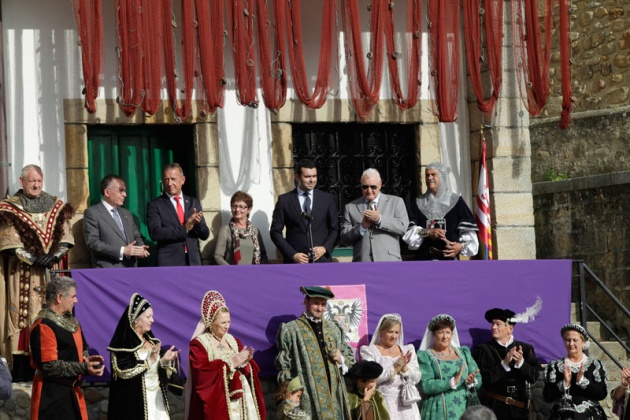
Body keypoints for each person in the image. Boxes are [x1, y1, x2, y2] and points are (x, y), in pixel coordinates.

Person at [0, 164, 74, 373]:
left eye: (39, 181)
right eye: (32, 181)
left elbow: (66, 238)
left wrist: (53, 255)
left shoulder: (56, 206)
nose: (36, 185)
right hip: (21, 272)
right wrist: (34, 258)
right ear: (22, 182)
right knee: (20, 315)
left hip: (50, 271)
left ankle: (50, 359)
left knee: (52, 312)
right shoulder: (9, 208)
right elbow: (9, 242)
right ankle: (22, 365)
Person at [30, 276, 104, 420]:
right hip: (52, 397)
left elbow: (83, 348)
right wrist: (83, 367)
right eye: (73, 296)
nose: (75, 300)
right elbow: (50, 366)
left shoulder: (71, 321)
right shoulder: (44, 325)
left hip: (72, 392)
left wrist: (87, 359)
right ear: (59, 297)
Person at [275, 286, 354, 419]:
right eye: (316, 303)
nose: (320, 308)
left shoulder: (334, 329)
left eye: (323, 304)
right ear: (306, 302)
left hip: (333, 394)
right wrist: (291, 393)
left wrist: (341, 358)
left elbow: (349, 359)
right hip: (307, 394)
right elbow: (284, 366)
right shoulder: (291, 330)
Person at [188, 290, 266, 420]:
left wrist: (246, 362)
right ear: (211, 322)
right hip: (219, 401)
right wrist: (230, 364)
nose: (227, 326)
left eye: (229, 322)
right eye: (223, 323)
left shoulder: (233, 341)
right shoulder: (199, 344)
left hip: (240, 400)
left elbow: (246, 371)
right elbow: (201, 373)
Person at [107, 293, 180, 420]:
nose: (152, 320)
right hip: (135, 403)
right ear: (136, 319)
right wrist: (148, 361)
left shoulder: (152, 342)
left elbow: (159, 371)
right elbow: (122, 371)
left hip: (157, 402)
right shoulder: (123, 345)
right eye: (148, 316)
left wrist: (164, 361)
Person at [473, 307, 540, 419]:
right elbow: (483, 380)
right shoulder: (483, 350)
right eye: (492, 324)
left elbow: (533, 377)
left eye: (498, 324)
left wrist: (521, 362)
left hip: (519, 410)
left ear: (510, 328)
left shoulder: (525, 348)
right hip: (493, 408)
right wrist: (504, 363)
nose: (493, 327)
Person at [403, 162, 479, 260]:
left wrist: (461, 246)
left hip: (449, 261)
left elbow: (470, 237)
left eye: (433, 174)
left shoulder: (456, 201)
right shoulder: (418, 203)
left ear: (442, 177)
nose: (429, 178)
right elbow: (408, 233)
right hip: (424, 260)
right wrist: (427, 232)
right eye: (427, 175)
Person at [270, 159, 339, 263]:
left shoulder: (326, 199)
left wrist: (324, 248)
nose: (312, 180)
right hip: (295, 263)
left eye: (314, 176)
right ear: (297, 177)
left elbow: (335, 229)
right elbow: (275, 232)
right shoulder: (285, 200)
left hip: (321, 261)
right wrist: (292, 254)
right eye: (307, 177)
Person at [417, 314, 481, 420]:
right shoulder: (426, 356)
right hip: (438, 409)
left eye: (448, 332)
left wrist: (472, 381)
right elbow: (425, 385)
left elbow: (477, 375)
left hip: (464, 408)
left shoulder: (464, 353)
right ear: (433, 334)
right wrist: (451, 382)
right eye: (440, 332)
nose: (445, 336)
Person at [359, 313, 421, 419]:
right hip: (384, 403)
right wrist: (394, 369)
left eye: (396, 332)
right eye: (390, 332)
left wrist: (405, 369)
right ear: (381, 331)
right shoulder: (370, 352)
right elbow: (370, 379)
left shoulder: (407, 350)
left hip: (407, 406)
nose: (394, 336)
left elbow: (417, 378)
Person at [147, 163, 210, 266]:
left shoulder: (193, 202)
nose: (169, 183)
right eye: (166, 179)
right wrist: (185, 228)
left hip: (192, 261)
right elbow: (155, 233)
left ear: (183, 180)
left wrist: (197, 224)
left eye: (173, 179)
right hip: (169, 261)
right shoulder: (155, 204)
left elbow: (205, 234)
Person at [340, 168, 409, 262]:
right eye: (365, 187)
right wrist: (362, 227)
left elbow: (403, 227)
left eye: (373, 187)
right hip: (363, 262)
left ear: (380, 184)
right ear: (360, 185)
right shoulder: (350, 207)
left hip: (389, 261)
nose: (369, 190)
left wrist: (380, 219)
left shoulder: (396, 202)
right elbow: (345, 238)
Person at [543, 323, 607, 420]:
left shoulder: (595, 365)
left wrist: (582, 381)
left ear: (583, 342)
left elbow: (601, 394)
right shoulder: (554, 366)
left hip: (589, 416)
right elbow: (547, 396)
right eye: (568, 340)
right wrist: (565, 383)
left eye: (575, 340)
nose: (571, 344)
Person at [83, 174, 150, 268]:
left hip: (131, 269)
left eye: (125, 190)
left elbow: (136, 236)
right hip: (108, 270)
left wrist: (140, 248)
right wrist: (122, 251)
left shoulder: (127, 214)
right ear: (107, 192)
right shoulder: (93, 213)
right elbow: (93, 243)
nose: (125, 194)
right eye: (121, 190)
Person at [214, 191, 268, 265]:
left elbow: (263, 254)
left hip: (253, 274)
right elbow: (218, 256)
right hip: (233, 274)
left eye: (241, 207)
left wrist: (259, 270)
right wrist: (232, 271)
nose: (237, 210)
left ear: (249, 209)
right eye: (234, 206)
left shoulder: (255, 231)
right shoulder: (225, 230)